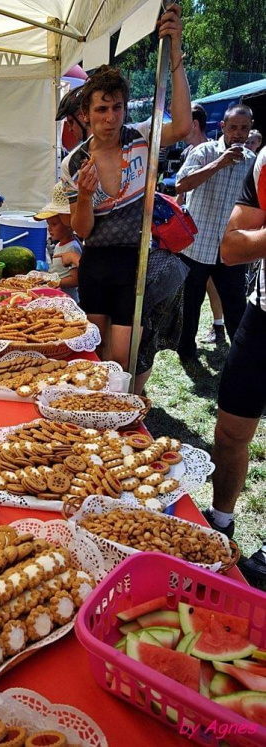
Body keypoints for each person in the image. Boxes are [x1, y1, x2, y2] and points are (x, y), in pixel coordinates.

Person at [60, 3, 192, 385]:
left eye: (117, 108)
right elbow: (81, 231)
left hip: (137, 261)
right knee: (95, 354)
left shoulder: (140, 138)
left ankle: (122, 416)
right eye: (101, 109)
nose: (110, 118)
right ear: (86, 112)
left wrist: (176, 55)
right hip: (98, 263)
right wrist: (84, 198)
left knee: (121, 358)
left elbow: (182, 126)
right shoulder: (74, 163)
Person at [202, 149, 266, 588]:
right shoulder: (265, 161)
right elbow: (230, 247)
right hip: (263, 316)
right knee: (228, 432)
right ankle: (220, 521)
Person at [175, 104, 256, 365]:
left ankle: (242, 357)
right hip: (197, 246)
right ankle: (186, 351)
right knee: (191, 303)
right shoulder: (204, 151)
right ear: (223, 127)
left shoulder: (253, 163)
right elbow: (181, 184)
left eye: (244, 128)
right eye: (233, 128)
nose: (239, 134)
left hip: (229, 248)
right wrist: (219, 163)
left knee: (236, 306)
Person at [34, 182, 82, 302]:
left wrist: (54, 282)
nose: (50, 228)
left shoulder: (72, 248)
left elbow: (75, 279)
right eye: (48, 224)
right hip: (57, 297)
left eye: (54, 224)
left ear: (69, 224)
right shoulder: (60, 245)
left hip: (69, 300)